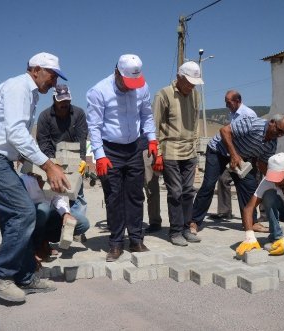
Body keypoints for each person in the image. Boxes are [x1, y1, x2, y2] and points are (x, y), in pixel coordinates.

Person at [0, 52, 70, 302]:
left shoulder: (29, 93)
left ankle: (23, 276)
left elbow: (12, 135)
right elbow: (15, 133)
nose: (54, 82)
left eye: (56, 77)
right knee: (24, 212)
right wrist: (48, 166)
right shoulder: (19, 87)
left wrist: (28, 164)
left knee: (14, 215)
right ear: (35, 70)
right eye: (51, 75)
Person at [86, 54, 157, 262]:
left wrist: (152, 139)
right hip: (110, 150)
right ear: (117, 72)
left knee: (136, 195)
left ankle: (136, 239)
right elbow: (95, 127)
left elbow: (147, 115)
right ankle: (116, 243)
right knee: (114, 197)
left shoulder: (142, 88)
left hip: (134, 147)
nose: (130, 87)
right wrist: (99, 155)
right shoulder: (98, 91)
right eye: (127, 82)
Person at [189, 114, 284, 234]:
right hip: (218, 151)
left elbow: (263, 163)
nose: (280, 135)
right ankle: (194, 221)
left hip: (241, 158)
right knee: (209, 185)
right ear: (272, 122)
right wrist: (233, 155)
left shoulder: (272, 144)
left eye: (283, 133)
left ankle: (251, 222)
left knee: (250, 186)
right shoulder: (254, 124)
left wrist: (274, 180)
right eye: (279, 130)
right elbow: (224, 130)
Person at [152, 61, 203, 246]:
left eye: (194, 83)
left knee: (188, 192)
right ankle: (174, 232)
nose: (191, 86)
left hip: (189, 152)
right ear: (179, 77)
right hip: (170, 152)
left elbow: (195, 124)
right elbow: (154, 126)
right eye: (188, 82)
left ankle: (186, 227)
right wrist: (156, 153)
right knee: (175, 192)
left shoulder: (195, 95)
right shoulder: (163, 94)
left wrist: (195, 149)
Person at [36, 84, 88, 217]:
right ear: (54, 99)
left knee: (77, 195)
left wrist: (81, 160)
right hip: (52, 161)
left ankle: (76, 229)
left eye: (67, 100)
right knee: (52, 195)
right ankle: (55, 223)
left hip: (74, 161)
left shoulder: (79, 114)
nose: (64, 103)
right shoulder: (45, 117)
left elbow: (81, 139)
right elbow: (44, 143)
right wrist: (52, 165)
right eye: (61, 101)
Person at [20, 173, 89, 263]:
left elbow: (58, 199)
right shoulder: (25, 181)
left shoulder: (52, 177)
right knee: (43, 209)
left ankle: (45, 241)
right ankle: (34, 247)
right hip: (32, 219)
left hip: (49, 215)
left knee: (82, 223)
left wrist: (66, 214)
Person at [212, 90, 258, 224]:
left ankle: (253, 216)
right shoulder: (232, 114)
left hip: (245, 155)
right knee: (223, 179)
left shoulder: (248, 114)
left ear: (237, 101)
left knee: (249, 185)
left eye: (228, 102)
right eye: (225, 102)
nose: (226, 105)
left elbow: (252, 135)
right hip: (233, 154)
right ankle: (225, 211)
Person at [139, 134, 163, 233]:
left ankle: (155, 221)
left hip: (146, 149)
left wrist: (159, 152)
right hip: (127, 150)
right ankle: (134, 222)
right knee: (132, 191)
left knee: (151, 188)